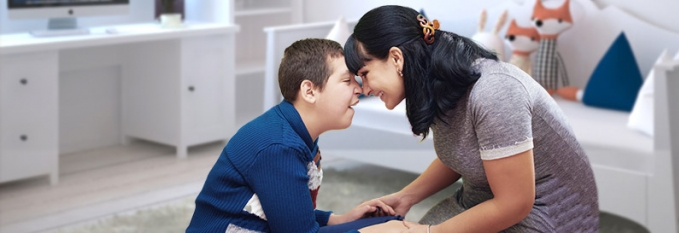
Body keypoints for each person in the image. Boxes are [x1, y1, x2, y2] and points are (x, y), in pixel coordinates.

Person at [344, 5, 599, 232]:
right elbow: (465, 151)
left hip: (546, 215)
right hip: (481, 199)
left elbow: (515, 204)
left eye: (365, 73)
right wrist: (406, 197)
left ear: (396, 57)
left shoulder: (495, 90)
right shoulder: (438, 83)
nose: (364, 89)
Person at [187, 38, 407, 233]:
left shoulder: (295, 134)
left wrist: (339, 220)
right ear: (309, 91)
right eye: (346, 81)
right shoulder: (279, 146)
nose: (359, 89)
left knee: (389, 224)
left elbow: (289, 214)